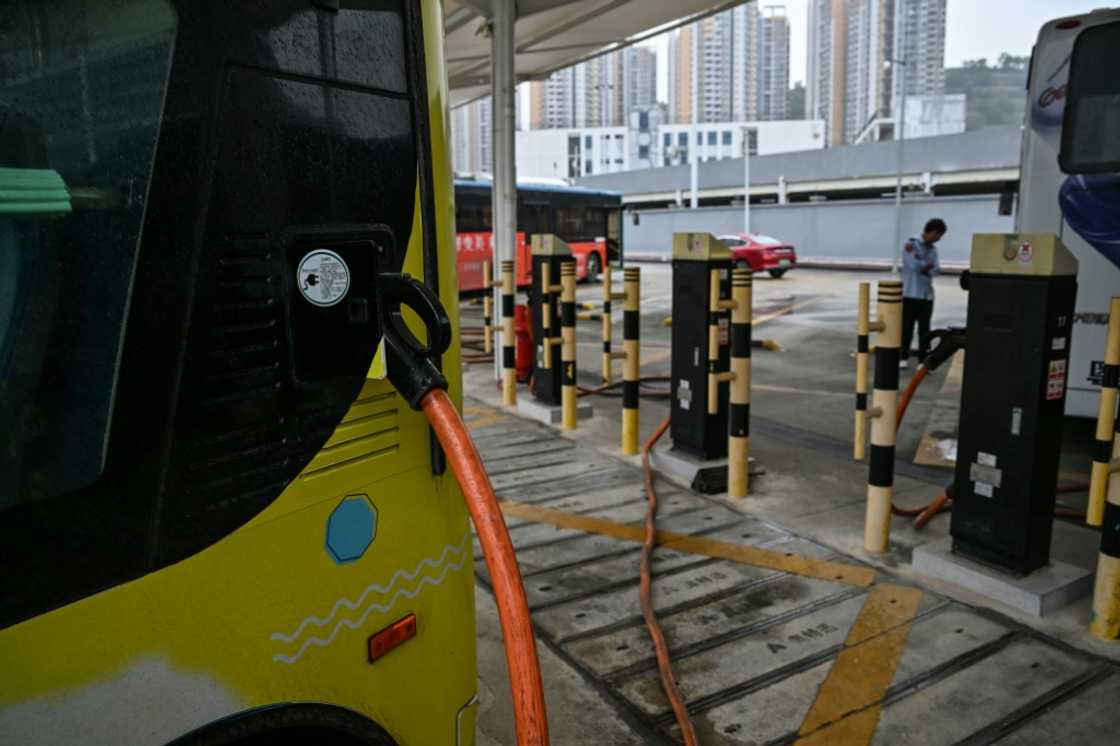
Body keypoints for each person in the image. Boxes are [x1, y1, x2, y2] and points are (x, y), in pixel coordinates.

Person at [899, 218, 945, 369]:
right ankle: (903, 357)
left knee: (925, 330)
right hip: (910, 294)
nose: (939, 239)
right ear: (933, 232)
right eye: (939, 235)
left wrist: (924, 266)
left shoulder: (933, 250)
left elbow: (936, 270)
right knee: (906, 328)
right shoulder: (911, 244)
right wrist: (926, 266)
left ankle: (922, 361)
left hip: (927, 296)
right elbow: (912, 265)